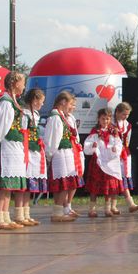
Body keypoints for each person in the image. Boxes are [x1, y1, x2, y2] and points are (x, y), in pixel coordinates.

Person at [0, 72, 30, 230]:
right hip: (5, 146)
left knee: (9, 183)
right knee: (2, 183)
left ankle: (6, 216)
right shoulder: (5, 102)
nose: (24, 86)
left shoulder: (13, 101)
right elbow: (0, 125)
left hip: (14, 147)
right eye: (22, 82)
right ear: (13, 83)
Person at [44, 91, 83, 223]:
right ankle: (57, 212)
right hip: (59, 154)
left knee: (65, 183)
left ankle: (60, 210)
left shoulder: (63, 117)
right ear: (63, 102)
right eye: (70, 104)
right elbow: (51, 140)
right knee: (62, 183)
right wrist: (49, 156)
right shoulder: (55, 117)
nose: (72, 107)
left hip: (66, 154)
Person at [83, 108, 124, 218]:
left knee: (108, 187)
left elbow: (119, 144)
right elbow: (87, 146)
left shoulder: (113, 132)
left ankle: (108, 209)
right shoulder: (94, 132)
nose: (105, 121)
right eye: (103, 119)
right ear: (98, 119)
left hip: (110, 163)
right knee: (94, 187)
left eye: (107, 119)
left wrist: (116, 148)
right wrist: (93, 146)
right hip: (98, 163)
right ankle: (92, 209)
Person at [20, 88, 47, 227]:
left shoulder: (35, 114)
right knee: (24, 185)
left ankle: (26, 213)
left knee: (30, 185)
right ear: (35, 100)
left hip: (34, 152)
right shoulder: (25, 114)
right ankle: (20, 214)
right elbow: (24, 133)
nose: (42, 104)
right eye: (41, 101)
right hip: (27, 152)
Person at [114, 102, 138, 213]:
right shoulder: (110, 123)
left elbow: (127, 141)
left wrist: (124, 150)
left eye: (127, 115)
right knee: (114, 178)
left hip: (124, 153)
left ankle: (127, 204)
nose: (126, 117)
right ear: (117, 112)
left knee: (123, 177)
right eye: (124, 114)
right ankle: (113, 205)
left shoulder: (127, 125)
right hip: (112, 153)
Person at [64, 96, 84, 217]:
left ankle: (69, 205)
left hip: (76, 150)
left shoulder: (71, 117)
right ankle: (64, 206)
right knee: (67, 179)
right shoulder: (61, 117)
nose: (73, 107)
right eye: (71, 105)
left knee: (76, 179)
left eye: (74, 105)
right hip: (67, 150)